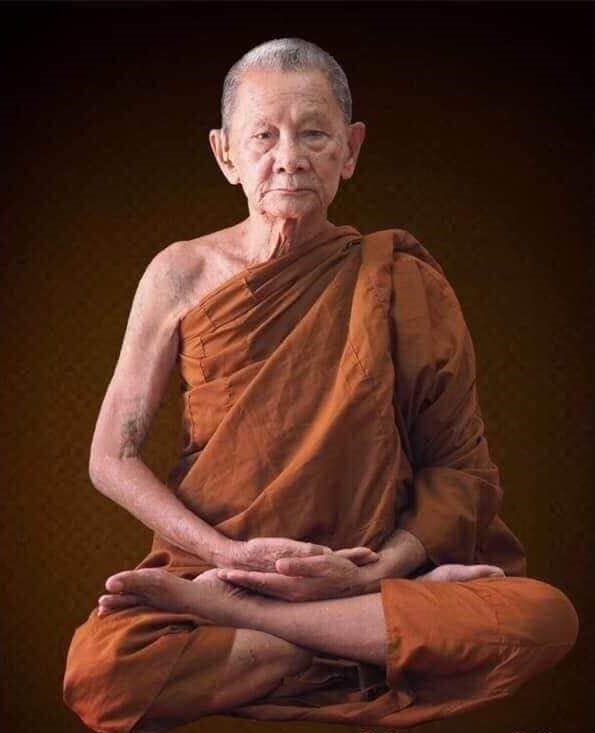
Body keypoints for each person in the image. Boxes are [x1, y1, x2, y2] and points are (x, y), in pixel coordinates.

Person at [62, 38, 578, 733]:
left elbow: (459, 468)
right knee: (100, 674)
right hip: (214, 568)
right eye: (263, 136)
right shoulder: (178, 274)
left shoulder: (399, 278)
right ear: (224, 154)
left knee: (543, 617)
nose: (289, 158)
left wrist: (374, 574)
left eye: (313, 134)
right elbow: (110, 457)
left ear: (350, 148)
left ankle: (262, 624)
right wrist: (228, 558)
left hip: (360, 571)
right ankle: (356, 644)